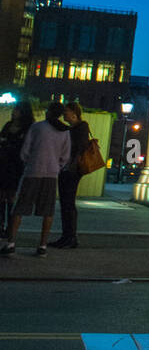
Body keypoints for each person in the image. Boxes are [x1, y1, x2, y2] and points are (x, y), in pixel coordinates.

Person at [1, 102, 70, 257]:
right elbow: (65, 156)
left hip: (33, 171)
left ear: (48, 112)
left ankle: (11, 243)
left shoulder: (37, 127)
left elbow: (25, 151)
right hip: (51, 174)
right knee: (47, 211)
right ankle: (42, 246)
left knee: (20, 208)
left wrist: (29, 163)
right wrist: (56, 166)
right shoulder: (65, 131)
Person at [50, 101, 92, 248]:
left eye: (66, 111)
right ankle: (67, 236)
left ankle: (70, 237)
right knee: (65, 202)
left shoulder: (81, 127)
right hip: (67, 169)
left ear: (74, 113)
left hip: (72, 170)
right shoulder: (74, 128)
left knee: (68, 203)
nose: (64, 114)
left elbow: (78, 147)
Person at [0, 101, 34, 244]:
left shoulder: (28, 128)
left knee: (11, 197)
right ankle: (1, 226)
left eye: (17, 110)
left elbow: (26, 147)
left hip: (15, 165)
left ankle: (10, 228)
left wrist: (8, 143)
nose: (14, 112)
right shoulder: (8, 125)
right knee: (1, 195)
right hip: (3, 163)